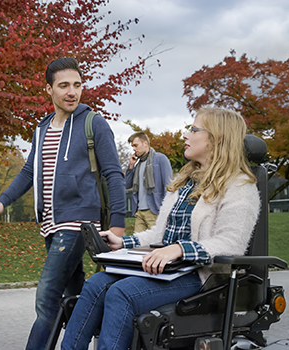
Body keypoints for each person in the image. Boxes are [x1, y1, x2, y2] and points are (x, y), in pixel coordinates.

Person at [60, 107, 261, 350]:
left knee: (121, 293)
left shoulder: (239, 186)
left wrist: (179, 249)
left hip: (203, 277)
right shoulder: (186, 183)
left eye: (194, 129)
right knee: (95, 283)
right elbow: (159, 234)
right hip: (169, 270)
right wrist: (124, 242)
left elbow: (231, 243)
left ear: (217, 138)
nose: (185, 135)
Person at [0, 57, 127, 350]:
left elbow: (114, 174)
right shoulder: (42, 128)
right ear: (49, 90)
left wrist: (118, 225)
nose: (72, 92)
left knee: (47, 298)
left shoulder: (94, 124)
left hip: (77, 223)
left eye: (77, 85)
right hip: (50, 223)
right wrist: (2, 202)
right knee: (73, 298)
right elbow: (28, 172)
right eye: (64, 86)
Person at [125, 132, 172, 232]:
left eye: (135, 145)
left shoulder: (160, 159)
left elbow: (168, 186)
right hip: (139, 212)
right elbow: (127, 184)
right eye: (133, 146)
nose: (134, 149)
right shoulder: (138, 165)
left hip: (155, 211)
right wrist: (131, 166)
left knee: (155, 244)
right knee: (137, 244)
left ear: (145, 143)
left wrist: (165, 211)